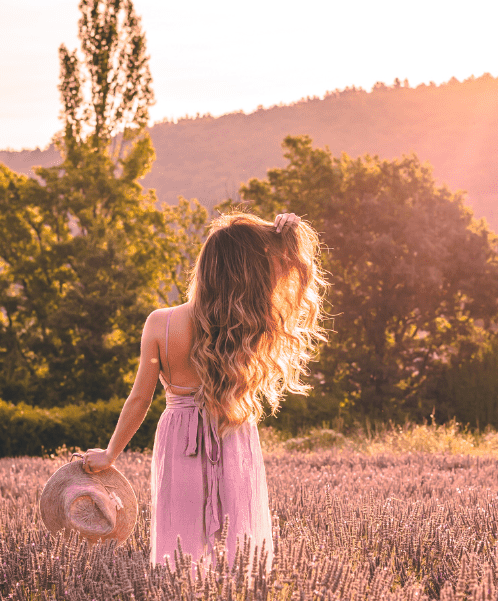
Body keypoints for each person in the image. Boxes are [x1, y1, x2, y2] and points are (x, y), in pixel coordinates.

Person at [82, 211, 326, 570]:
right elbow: (295, 281)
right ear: (250, 274)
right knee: (240, 540)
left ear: (204, 267)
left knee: (180, 538)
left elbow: (139, 399)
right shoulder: (247, 325)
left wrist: (110, 454)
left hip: (180, 438)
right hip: (232, 430)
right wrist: (288, 237)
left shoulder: (160, 323)